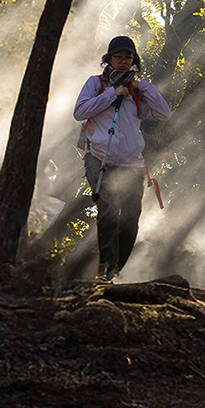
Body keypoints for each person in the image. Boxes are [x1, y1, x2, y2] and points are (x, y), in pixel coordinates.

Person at [73, 35, 171, 280]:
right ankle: (105, 272)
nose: (124, 61)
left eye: (128, 57)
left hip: (132, 164)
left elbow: (163, 114)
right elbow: (80, 112)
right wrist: (112, 94)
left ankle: (115, 271)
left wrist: (144, 87)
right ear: (109, 59)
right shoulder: (96, 84)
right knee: (107, 209)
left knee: (130, 220)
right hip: (98, 157)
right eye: (119, 57)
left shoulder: (137, 92)